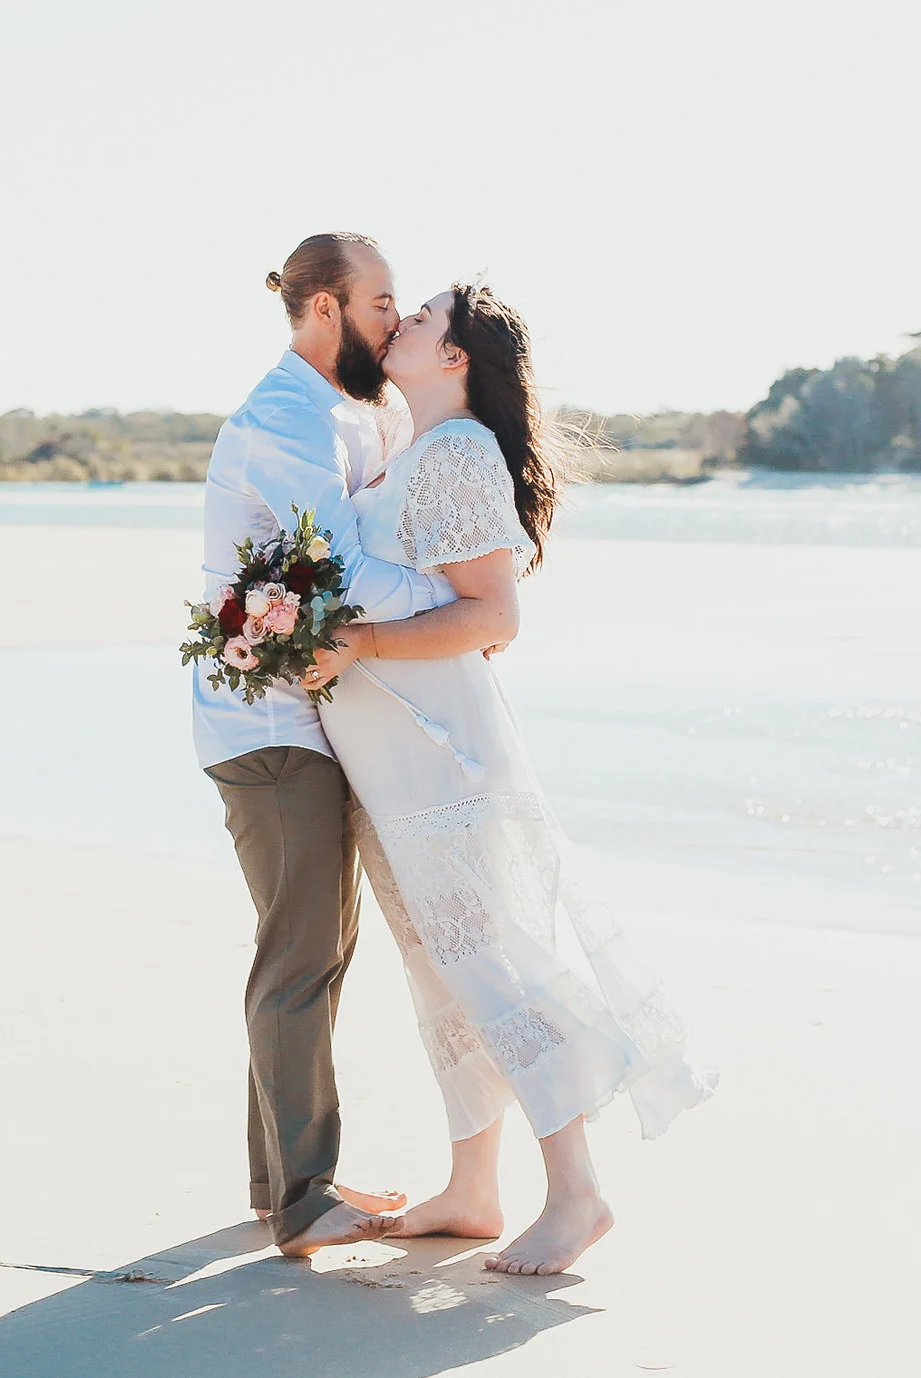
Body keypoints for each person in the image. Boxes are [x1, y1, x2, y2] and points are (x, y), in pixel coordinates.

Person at [300, 284, 714, 1275]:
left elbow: (492, 618)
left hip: (444, 762)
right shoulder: (413, 448)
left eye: (420, 317)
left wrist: (352, 640)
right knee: (443, 978)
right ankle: (472, 1188)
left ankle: (576, 1194)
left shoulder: (458, 453)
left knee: (495, 968)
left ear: (455, 357)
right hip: (396, 764)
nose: (397, 322)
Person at [195, 231, 460, 1256]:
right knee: (301, 950)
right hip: (265, 721)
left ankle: (280, 1181)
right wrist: (463, 601)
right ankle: (303, 1198)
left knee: (314, 944)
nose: (393, 318)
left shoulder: (347, 410)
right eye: (380, 301)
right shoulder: (284, 417)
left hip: (307, 716)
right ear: (322, 310)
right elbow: (342, 569)